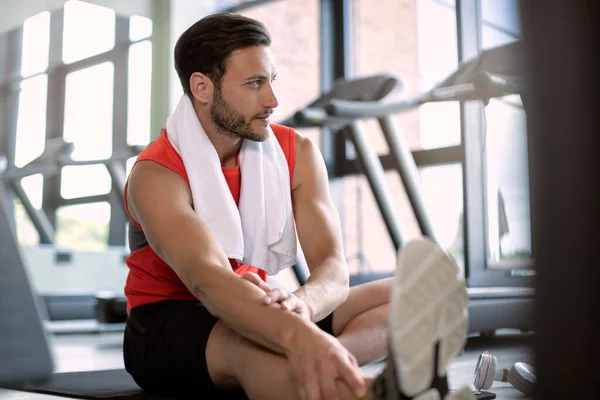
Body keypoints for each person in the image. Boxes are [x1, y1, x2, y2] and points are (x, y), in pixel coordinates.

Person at [122, 12, 473, 400]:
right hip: (167, 325)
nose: (273, 100)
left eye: (271, 80)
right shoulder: (156, 174)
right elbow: (208, 280)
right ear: (202, 88)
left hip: (263, 303)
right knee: (251, 344)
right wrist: (297, 333)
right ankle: (364, 391)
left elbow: (334, 269)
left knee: (413, 295)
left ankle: (322, 363)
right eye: (255, 83)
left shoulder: (298, 152)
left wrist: (301, 306)